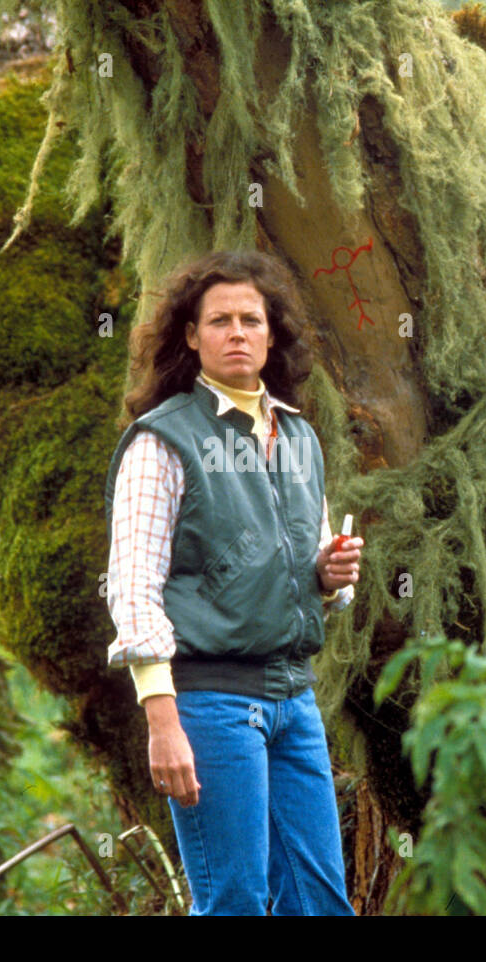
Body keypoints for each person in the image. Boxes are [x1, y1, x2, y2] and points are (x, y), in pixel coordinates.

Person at [103, 249, 362, 916]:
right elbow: (131, 586)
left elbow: (306, 564)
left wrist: (328, 579)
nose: (238, 332)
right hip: (208, 703)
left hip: (295, 699)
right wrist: (162, 719)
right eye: (220, 320)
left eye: (252, 318)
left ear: (273, 334)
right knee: (235, 901)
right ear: (191, 337)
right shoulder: (161, 441)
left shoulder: (301, 436)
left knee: (321, 903)